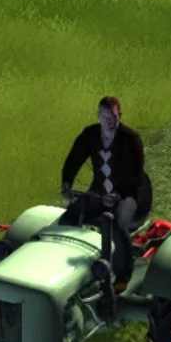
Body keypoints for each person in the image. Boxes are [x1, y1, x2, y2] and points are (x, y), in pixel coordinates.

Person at [59, 96, 151, 289]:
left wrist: (117, 195)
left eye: (113, 117)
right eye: (105, 117)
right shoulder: (90, 135)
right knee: (69, 217)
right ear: (98, 116)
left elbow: (137, 176)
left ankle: (122, 275)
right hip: (99, 192)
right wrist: (66, 184)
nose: (109, 121)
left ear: (120, 116)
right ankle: (67, 267)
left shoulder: (131, 139)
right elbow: (74, 159)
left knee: (117, 224)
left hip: (127, 195)